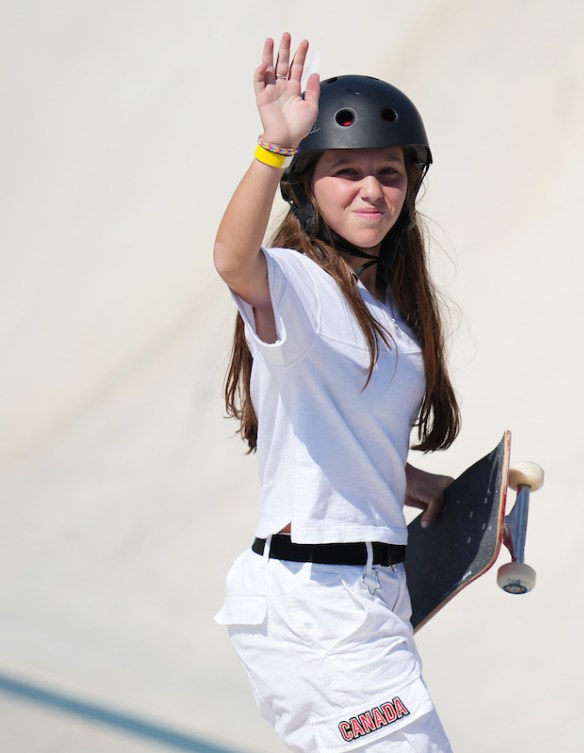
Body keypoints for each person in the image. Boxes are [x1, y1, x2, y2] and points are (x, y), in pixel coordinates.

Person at [212, 33, 460, 753]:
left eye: (388, 172)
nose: (371, 189)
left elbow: (346, 440)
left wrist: (425, 486)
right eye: (345, 171)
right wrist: (273, 149)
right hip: (314, 605)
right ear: (307, 188)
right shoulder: (297, 286)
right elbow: (232, 258)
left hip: (369, 602)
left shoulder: (387, 310)